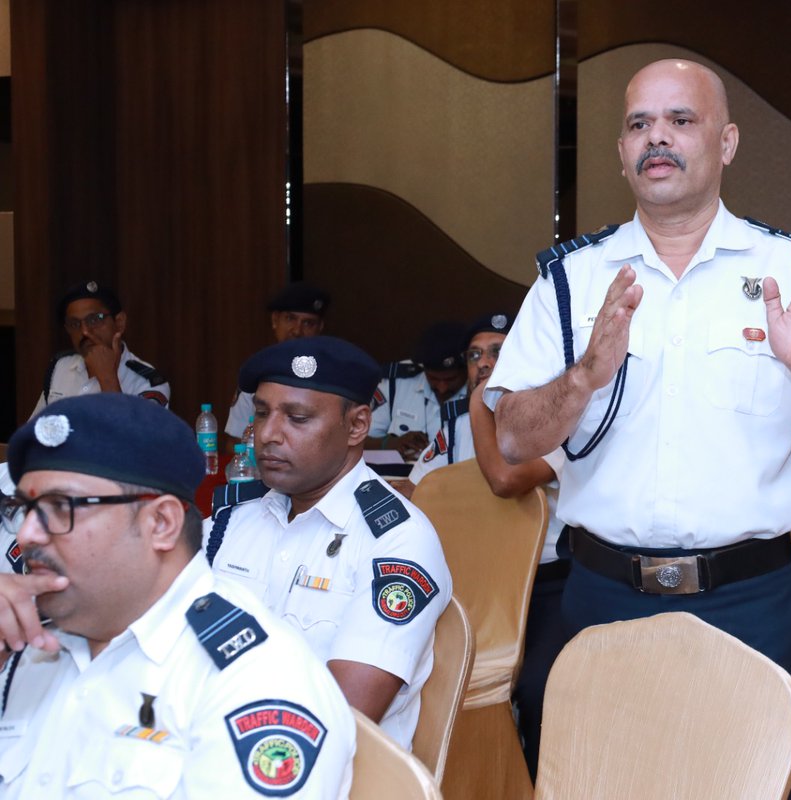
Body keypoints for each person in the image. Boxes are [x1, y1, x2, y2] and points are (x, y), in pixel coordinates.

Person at [486, 59, 791, 797]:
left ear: (727, 143)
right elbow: (511, 438)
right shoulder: (571, 281)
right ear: (620, 151)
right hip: (602, 600)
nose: (657, 139)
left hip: (752, 603)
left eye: (681, 121)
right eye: (640, 124)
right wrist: (585, 376)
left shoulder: (787, 270)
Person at [0, 393, 355, 798]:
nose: (27, 535)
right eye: (23, 509)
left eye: (61, 507)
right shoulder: (24, 644)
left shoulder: (255, 680)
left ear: (162, 523)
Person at [203, 335, 452, 750]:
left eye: (297, 419)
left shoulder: (396, 542)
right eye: (262, 413)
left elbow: (341, 719)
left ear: (356, 426)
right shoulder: (229, 523)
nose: (268, 434)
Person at [406, 311, 568, 776]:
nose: (483, 362)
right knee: (418, 680)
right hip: (466, 589)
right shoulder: (453, 425)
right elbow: (418, 492)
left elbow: (505, 480)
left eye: (497, 351)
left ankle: (543, 784)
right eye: (475, 355)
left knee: (540, 689)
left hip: (547, 584)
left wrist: (481, 405)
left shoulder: (557, 418)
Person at [32, 281, 170, 418]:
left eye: (95, 319)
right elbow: (34, 432)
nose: (85, 331)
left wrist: (108, 379)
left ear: (119, 323)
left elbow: (137, 438)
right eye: (74, 324)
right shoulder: (60, 367)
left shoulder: (147, 382)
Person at [225, 282, 331, 450]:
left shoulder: (333, 376)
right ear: (275, 320)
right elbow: (235, 442)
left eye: (308, 323)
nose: (297, 331)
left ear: (320, 328)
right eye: (290, 319)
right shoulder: (256, 373)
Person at [368, 321, 469, 461]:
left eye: (451, 379)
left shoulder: (481, 392)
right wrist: (389, 443)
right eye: (433, 378)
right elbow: (356, 441)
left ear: (467, 369)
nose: (442, 388)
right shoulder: (396, 384)